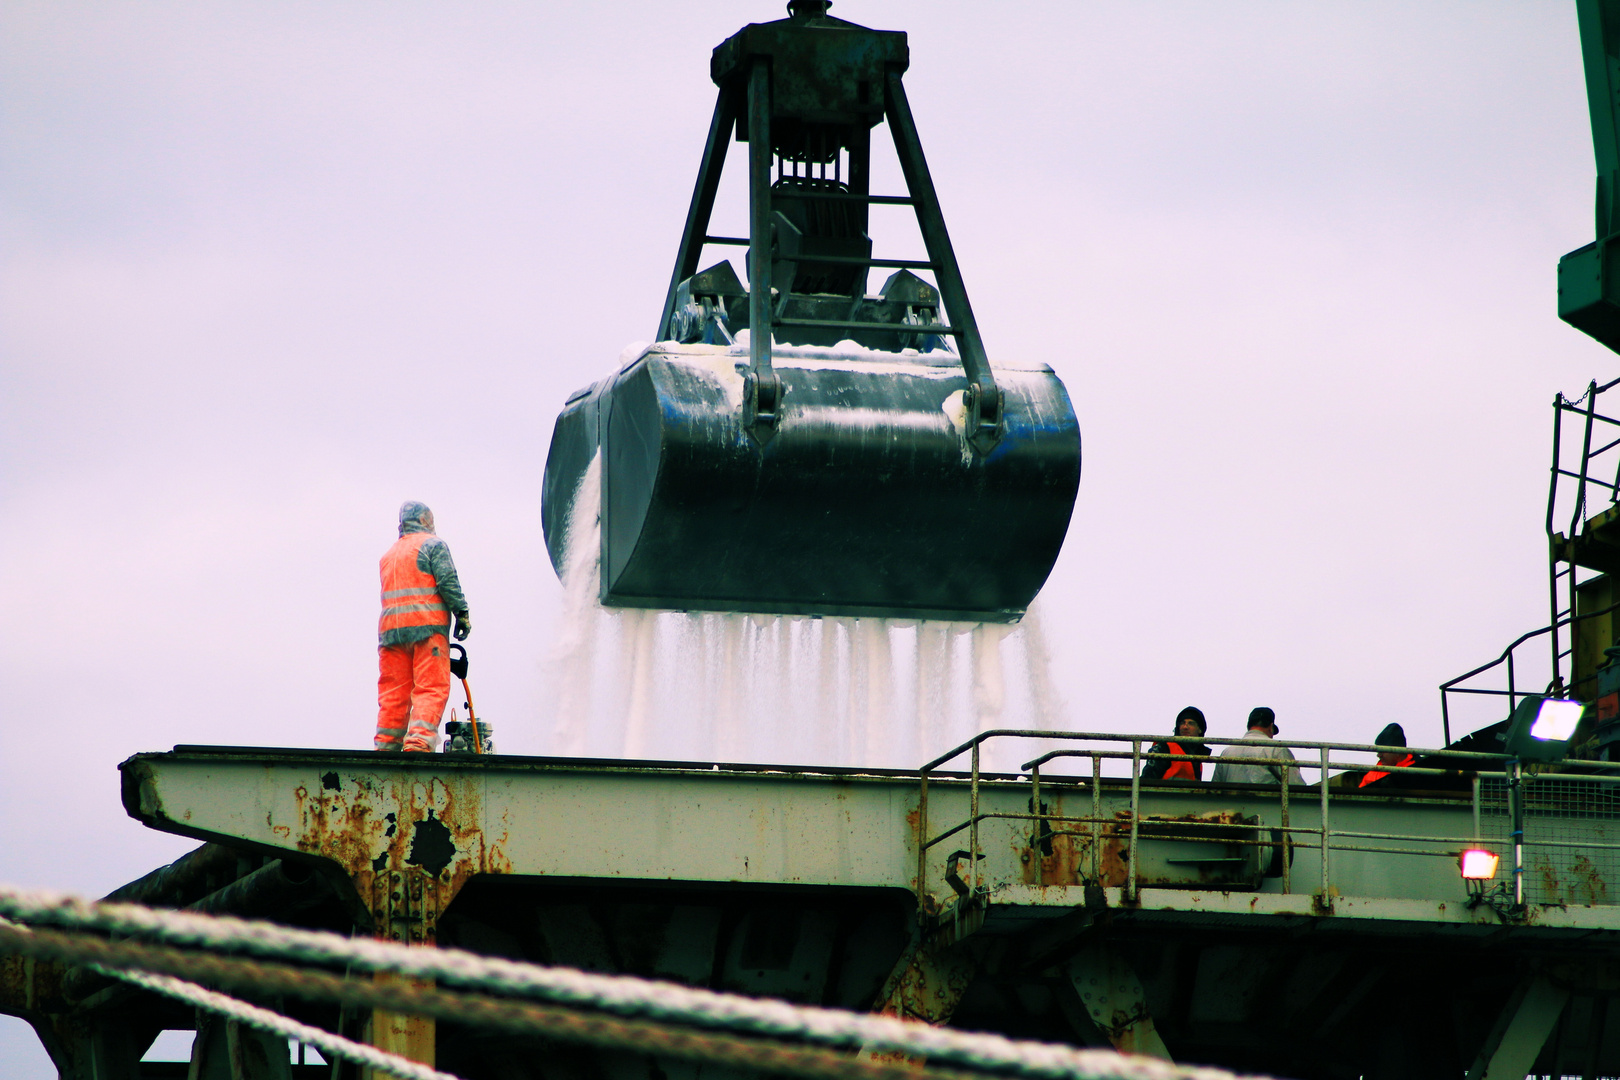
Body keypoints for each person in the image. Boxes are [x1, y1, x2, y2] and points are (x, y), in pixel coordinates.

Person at [376, 501, 471, 752]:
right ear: (427, 520)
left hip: (390, 634)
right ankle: (418, 744)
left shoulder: (389, 555)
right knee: (430, 687)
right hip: (427, 628)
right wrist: (461, 612)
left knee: (393, 694)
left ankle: (386, 747)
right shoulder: (433, 545)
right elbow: (447, 581)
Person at [1211, 707, 1304, 785]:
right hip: (1267, 805)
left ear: (1249, 726)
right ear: (1271, 727)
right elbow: (1296, 785)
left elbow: (1215, 788)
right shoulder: (1277, 749)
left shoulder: (1227, 752)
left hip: (1230, 805)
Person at [1143, 706, 1210, 781]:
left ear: (1200, 729)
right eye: (1182, 723)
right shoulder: (1165, 747)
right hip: (1165, 792)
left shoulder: (1198, 758)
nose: (1185, 726)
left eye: (1191, 723)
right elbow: (1148, 779)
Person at [1357, 722, 1417, 789]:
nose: (1378, 755)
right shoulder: (1375, 772)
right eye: (1378, 751)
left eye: (1382, 751)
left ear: (1397, 751)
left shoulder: (1419, 768)